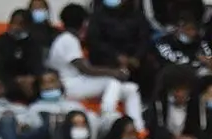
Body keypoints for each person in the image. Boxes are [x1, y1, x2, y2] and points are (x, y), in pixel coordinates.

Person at [48, 3, 145, 132]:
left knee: (131, 90)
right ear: (83, 22)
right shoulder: (68, 39)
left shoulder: (67, 38)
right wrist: (114, 72)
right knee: (112, 80)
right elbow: (85, 69)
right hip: (69, 85)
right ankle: (107, 116)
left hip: (78, 82)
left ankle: (139, 129)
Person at [0, 9, 45, 102]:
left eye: (20, 23)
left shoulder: (34, 43)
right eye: (13, 22)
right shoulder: (0, 41)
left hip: (28, 82)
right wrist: (17, 80)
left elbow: (37, 66)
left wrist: (31, 78)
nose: (16, 26)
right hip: (5, 79)